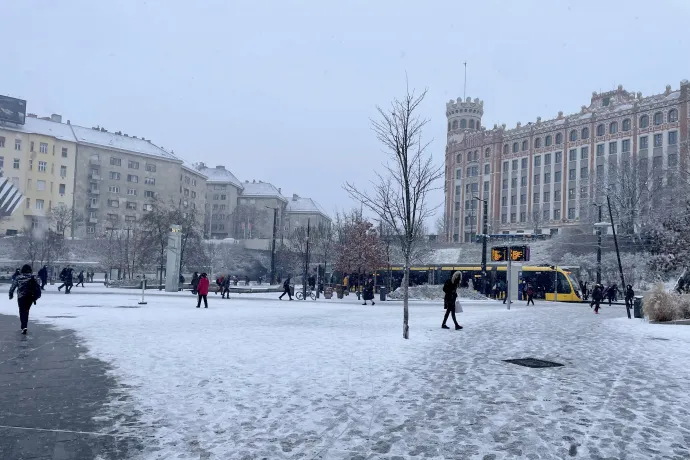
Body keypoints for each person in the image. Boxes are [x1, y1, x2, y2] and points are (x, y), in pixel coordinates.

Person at [9, 264, 42, 335]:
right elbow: (38, 286)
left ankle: (24, 326)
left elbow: (13, 286)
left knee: (22, 310)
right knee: (26, 310)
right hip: (30, 297)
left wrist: (11, 294)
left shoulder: (19, 277)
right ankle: (24, 325)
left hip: (21, 297)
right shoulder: (33, 277)